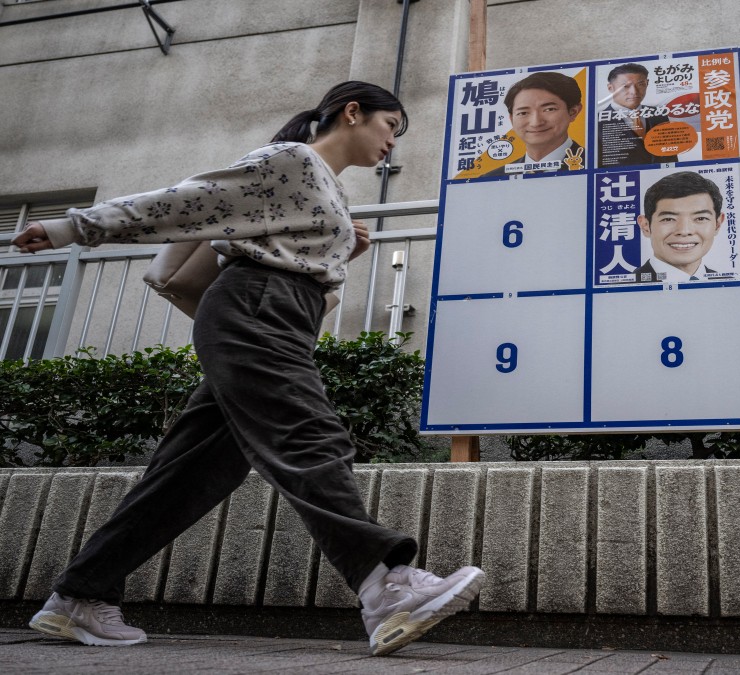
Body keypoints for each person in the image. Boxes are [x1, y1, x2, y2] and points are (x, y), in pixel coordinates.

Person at [15, 81, 484, 657]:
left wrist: (341, 252)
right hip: (255, 309)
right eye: (392, 125)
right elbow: (183, 201)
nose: (394, 141)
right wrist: (70, 228)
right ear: (353, 113)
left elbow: (290, 256)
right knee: (306, 433)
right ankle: (383, 587)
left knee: (190, 473)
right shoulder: (290, 160)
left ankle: (77, 600)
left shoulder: (325, 185)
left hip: (276, 314)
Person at [631, 171, 728, 283]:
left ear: (717, 224)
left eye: (700, 218)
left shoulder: (730, 285)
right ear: (645, 226)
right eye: (668, 219)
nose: (684, 231)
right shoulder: (622, 291)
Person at [485, 71, 584, 176]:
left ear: (573, 112)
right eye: (523, 113)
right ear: (511, 119)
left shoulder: (599, 165)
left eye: (549, 109)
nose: (536, 123)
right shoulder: (491, 178)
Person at [597, 63, 677, 167]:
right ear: (610, 88)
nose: (634, 92)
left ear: (647, 83)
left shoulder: (659, 114)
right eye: (625, 86)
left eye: (640, 84)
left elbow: (671, 157)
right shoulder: (596, 121)